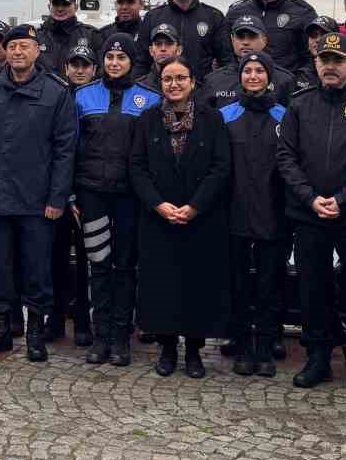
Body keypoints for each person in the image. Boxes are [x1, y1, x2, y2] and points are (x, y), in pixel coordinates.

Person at [276, 33, 346, 394]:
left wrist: (344, 199)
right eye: (325, 60)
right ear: (315, 63)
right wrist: (311, 198)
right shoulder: (299, 104)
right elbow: (286, 157)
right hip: (309, 214)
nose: (330, 66)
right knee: (313, 290)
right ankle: (317, 358)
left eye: (338, 60)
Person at [0, 23, 76, 362]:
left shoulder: (56, 92)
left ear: (37, 50)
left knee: (37, 269)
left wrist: (58, 198)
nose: (18, 52)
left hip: (37, 200)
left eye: (25, 46)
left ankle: (36, 333)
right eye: (13, 47)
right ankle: (1, 329)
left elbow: (65, 149)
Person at [130, 57, 232, 379]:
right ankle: (167, 348)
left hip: (199, 218)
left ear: (192, 82)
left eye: (180, 78)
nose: (174, 84)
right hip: (159, 218)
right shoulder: (147, 120)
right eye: (167, 79)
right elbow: (137, 167)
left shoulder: (212, 119)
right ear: (160, 84)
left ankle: (193, 351)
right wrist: (158, 205)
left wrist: (195, 206)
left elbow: (221, 167)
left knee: (196, 286)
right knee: (163, 285)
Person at [73, 33, 159, 367]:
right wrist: (71, 194)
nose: (114, 63)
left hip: (129, 198)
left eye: (121, 58)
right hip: (92, 194)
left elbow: (151, 154)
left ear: (131, 62)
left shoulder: (148, 99)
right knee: (99, 265)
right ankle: (100, 337)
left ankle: (121, 338)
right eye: (109, 57)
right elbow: (72, 148)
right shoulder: (83, 96)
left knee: (125, 267)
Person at [219, 52, 287, 378]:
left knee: (268, 286)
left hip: (274, 216)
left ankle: (265, 346)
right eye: (248, 71)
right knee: (238, 284)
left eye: (260, 71)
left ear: (269, 77)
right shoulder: (224, 116)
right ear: (240, 76)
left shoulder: (285, 117)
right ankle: (243, 344)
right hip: (234, 215)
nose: (254, 76)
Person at [52, 41, 98, 344]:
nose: (79, 70)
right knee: (54, 258)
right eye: (74, 65)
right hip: (56, 189)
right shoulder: (56, 97)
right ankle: (54, 319)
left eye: (84, 65)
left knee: (86, 258)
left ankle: (83, 319)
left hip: (86, 189)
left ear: (94, 69)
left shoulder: (95, 98)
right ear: (66, 68)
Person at [225, 0, 318, 74]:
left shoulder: (302, 12)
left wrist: (298, 82)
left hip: (288, 87)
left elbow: (313, 55)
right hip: (246, 84)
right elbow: (225, 54)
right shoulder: (235, 12)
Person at [137, 0, 229, 79]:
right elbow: (141, 62)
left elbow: (226, 62)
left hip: (201, 93)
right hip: (159, 93)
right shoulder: (152, 17)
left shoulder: (214, 17)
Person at [201, 14, 293, 109]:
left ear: (264, 40)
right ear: (232, 40)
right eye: (240, 37)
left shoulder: (284, 80)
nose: (245, 42)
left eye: (252, 36)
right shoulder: (213, 81)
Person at [38, 0, 103, 74]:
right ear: (49, 6)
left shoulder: (91, 35)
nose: (60, 9)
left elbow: (100, 70)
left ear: (76, 7)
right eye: (56, 4)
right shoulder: (37, 36)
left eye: (66, 4)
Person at [136, 23, 183, 92]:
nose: (163, 48)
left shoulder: (189, 86)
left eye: (168, 44)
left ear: (179, 50)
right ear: (151, 51)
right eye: (158, 44)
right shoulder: (139, 87)